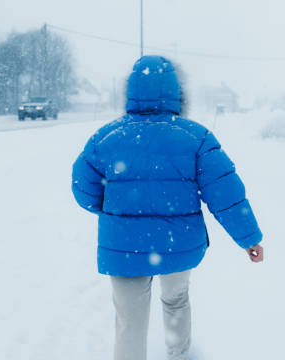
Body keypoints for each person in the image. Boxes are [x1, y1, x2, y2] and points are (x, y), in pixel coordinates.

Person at [71, 55, 264, 360]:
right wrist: (249, 238)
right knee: (176, 300)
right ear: (175, 92)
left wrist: (114, 212)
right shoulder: (196, 137)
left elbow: (82, 189)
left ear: (131, 92)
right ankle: (179, 354)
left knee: (129, 321)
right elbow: (226, 195)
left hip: (124, 247)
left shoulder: (106, 138)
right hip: (179, 243)